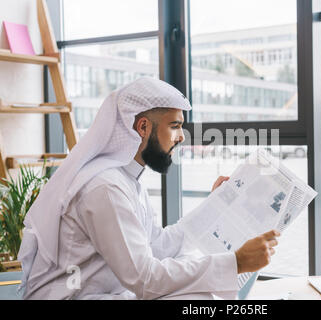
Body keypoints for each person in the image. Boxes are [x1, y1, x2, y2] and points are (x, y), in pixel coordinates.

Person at [17, 77, 280, 300]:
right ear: (143, 127)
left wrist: (216, 206)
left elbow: (157, 245)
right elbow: (145, 279)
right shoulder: (105, 188)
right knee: (197, 297)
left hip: (106, 294)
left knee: (196, 293)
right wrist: (235, 263)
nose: (181, 136)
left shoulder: (127, 180)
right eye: (174, 126)